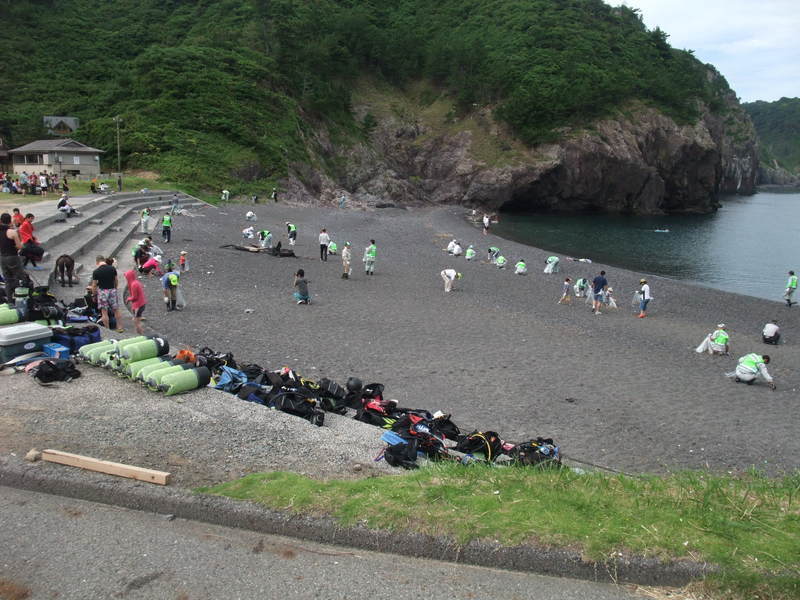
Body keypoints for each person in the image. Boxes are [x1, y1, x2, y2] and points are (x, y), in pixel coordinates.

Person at [91, 255, 124, 332]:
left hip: (102, 292)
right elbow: (116, 280)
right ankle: (120, 327)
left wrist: (94, 294)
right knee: (116, 309)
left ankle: (108, 329)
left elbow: (94, 285)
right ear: (104, 260)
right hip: (112, 290)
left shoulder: (96, 271)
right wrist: (115, 288)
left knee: (104, 311)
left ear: (97, 262)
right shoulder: (112, 268)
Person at [0, 213, 24, 303]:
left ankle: (10, 301)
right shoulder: (12, 232)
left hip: (2, 258)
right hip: (13, 257)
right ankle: (18, 300)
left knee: (7, 280)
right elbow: (19, 247)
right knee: (17, 277)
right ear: (10, 221)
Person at [124, 269, 147, 335]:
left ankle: (141, 335)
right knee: (137, 318)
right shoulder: (136, 282)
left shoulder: (133, 285)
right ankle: (139, 319)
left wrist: (128, 299)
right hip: (142, 303)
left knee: (136, 322)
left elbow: (134, 297)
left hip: (138, 305)